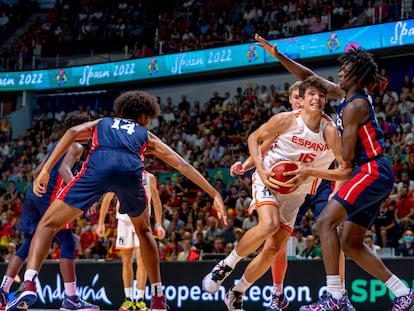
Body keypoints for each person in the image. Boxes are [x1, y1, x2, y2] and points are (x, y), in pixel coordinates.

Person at [6, 90, 226, 311]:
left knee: (47, 224)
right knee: (144, 231)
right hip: (130, 171)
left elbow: (72, 131)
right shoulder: (145, 134)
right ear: (142, 116)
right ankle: (158, 298)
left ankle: (30, 282)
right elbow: (182, 164)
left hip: (99, 166)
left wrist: (45, 170)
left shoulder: (104, 122)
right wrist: (213, 193)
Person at [255, 33, 414, 310]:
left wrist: (310, 171)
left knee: (325, 222)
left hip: (370, 170)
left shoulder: (356, 106)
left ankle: (335, 298)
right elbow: (310, 77)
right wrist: (279, 55)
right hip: (373, 172)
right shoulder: (347, 96)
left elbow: (347, 165)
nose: (339, 72)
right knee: (351, 243)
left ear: (356, 73)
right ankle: (402, 292)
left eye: (345, 68)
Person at [202, 76, 352, 311]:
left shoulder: (329, 130)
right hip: (269, 180)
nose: (318, 98)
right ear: (300, 100)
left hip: (298, 193)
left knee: (272, 249)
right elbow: (254, 138)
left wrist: (313, 174)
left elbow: (346, 170)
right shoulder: (285, 120)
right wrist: (259, 169)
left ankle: (237, 291)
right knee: (269, 225)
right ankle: (225, 265)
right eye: (312, 94)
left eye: (321, 95)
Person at [0, 114, 99, 311]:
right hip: (50, 198)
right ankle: (71, 298)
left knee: (28, 243)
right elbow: (64, 169)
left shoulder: (58, 144)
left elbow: (37, 171)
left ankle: (3, 291)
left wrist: (37, 192)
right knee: (68, 242)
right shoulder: (76, 146)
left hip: (33, 195)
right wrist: (81, 194)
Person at [96, 167, 166, 311]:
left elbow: (157, 201)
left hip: (143, 222)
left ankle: (140, 300)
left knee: (142, 261)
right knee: (126, 261)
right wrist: (101, 222)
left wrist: (159, 224)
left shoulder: (149, 178)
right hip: (124, 222)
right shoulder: (120, 174)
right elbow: (107, 198)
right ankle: (128, 299)